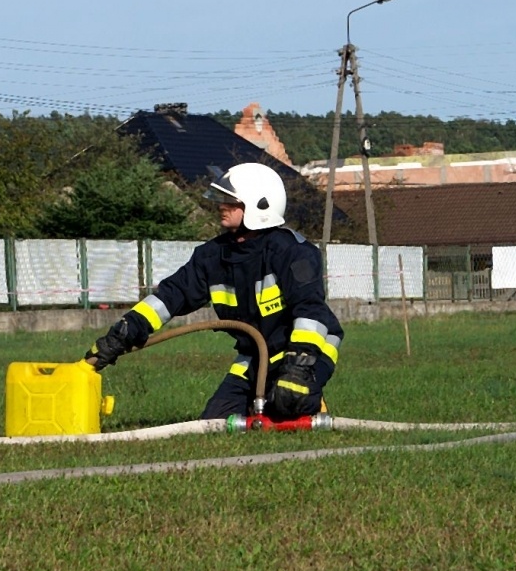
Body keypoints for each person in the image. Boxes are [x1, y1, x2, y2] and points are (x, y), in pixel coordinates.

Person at [83, 162, 342, 419]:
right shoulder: (212, 256)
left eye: (230, 200)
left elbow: (311, 311)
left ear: (259, 206)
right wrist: (122, 334)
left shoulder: (292, 252)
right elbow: (170, 296)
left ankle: (310, 404)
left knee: (287, 401)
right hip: (255, 357)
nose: (221, 205)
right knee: (215, 422)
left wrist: (298, 367)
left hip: (306, 352)